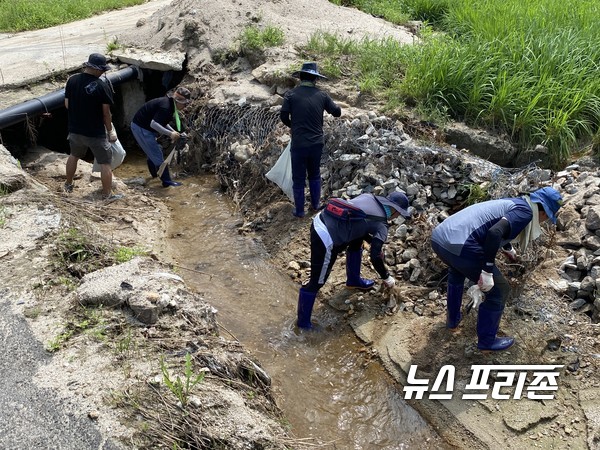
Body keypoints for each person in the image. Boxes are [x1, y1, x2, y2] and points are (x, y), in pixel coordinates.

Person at [431, 187, 563, 352]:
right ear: (543, 212)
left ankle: (452, 322)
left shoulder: (515, 203)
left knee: (457, 272)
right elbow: (494, 232)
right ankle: (487, 342)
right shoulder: (526, 212)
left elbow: (495, 226)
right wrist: (486, 272)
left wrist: (508, 248)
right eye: (547, 217)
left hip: (439, 239)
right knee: (499, 290)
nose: (544, 221)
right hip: (461, 244)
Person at [297, 191, 411, 329]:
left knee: (357, 241)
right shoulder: (382, 225)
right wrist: (387, 278)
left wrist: (374, 242)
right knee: (317, 281)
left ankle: (353, 280)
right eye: (399, 214)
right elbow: (375, 257)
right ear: (395, 211)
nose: (398, 216)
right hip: (325, 235)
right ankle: (303, 325)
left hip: (322, 218)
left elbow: (360, 224)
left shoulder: (369, 196)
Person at [280, 62, 341, 218]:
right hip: (316, 143)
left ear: (300, 77)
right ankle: (315, 206)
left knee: (298, 177)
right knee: (314, 174)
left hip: (299, 143)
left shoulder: (291, 95)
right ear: (315, 79)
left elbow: (283, 117)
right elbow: (336, 113)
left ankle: (300, 211)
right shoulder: (322, 95)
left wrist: (293, 126)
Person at [64, 53, 121, 200]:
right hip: (95, 133)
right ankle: (107, 194)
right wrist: (110, 131)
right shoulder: (102, 85)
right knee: (105, 163)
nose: (103, 73)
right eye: (102, 70)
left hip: (75, 130)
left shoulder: (72, 80)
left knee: (74, 155)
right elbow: (106, 113)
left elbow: (67, 104)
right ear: (96, 69)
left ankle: (68, 184)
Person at [131, 86, 191, 187]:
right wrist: (170, 134)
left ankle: (154, 175)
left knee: (153, 151)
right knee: (157, 155)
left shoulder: (169, 105)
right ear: (179, 101)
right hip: (141, 128)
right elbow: (154, 124)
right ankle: (167, 182)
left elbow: (162, 122)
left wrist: (173, 131)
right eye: (185, 104)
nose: (185, 106)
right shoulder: (166, 107)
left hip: (143, 127)